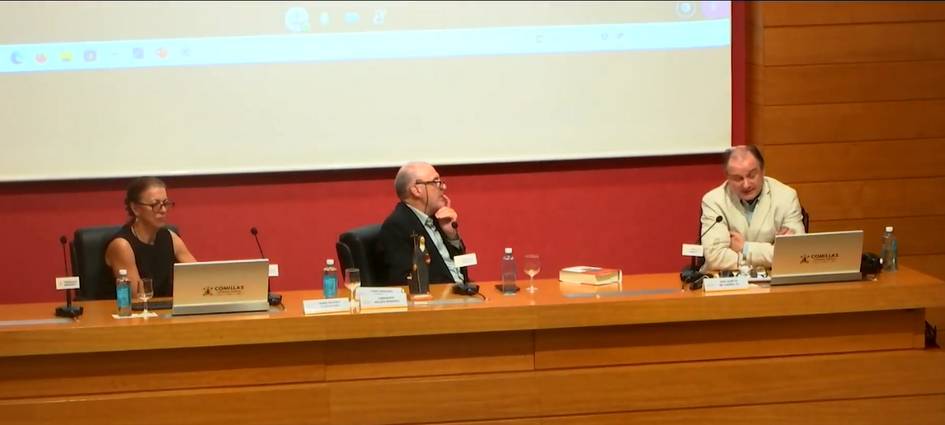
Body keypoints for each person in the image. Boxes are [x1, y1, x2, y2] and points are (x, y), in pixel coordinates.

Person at [701, 145, 805, 271]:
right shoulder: (713, 201)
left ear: (763, 171)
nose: (746, 185)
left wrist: (745, 248)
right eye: (738, 178)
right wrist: (771, 253)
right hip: (727, 281)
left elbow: (795, 254)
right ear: (728, 178)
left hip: (773, 281)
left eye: (751, 175)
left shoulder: (786, 196)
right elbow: (715, 258)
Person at [379, 161, 469, 285]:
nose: (443, 187)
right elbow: (406, 281)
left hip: (460, 293)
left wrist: (451, 237)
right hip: (438, 300)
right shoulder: (397, 226)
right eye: (436, 182)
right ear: (416, 190)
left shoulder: (436, 218)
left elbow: (461, 269)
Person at [104, 177, 196, 298]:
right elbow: (138, 297)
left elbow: (198, 275)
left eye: (165, 203)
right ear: (135, 208)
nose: (163, 210)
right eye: (155, 204)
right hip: (127, 313)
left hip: (164, 311)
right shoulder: (122, 245)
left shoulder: (170, 237)